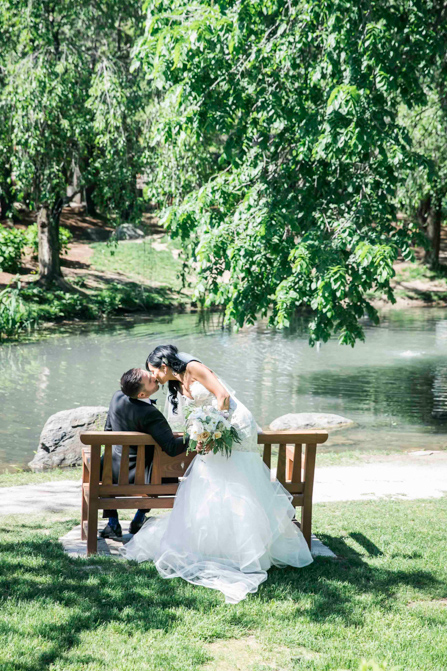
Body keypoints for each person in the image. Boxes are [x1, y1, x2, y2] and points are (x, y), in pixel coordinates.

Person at [122, 346, 313, 604]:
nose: (153, 376)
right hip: (213, 432)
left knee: (238, 483)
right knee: (211, 482)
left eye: (153, 370)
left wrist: (216, 429)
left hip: (234, 425)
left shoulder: (193, 367)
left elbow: (222, 396)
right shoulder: (175, 385)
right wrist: (201, 433)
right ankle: (219, 546)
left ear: (163, 366)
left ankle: (249, 549)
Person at [100, 367, 188, 540]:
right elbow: (171, 447)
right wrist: (197, 433)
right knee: (160, 468)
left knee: (104, 464)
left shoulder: (117, 397)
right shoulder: (151, 414)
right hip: (143, 476)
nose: (155, 377)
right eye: (150, 379)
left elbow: (108, 429)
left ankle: (113, 523)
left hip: (112, 469)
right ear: (141, 394)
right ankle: (139, 518)